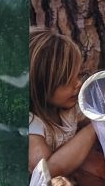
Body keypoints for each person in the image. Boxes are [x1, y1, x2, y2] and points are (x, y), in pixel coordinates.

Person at [28, 27, 97, 176]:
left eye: (78, 75)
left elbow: (89, 117)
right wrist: (94, 129)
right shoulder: (32, 124)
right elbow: (44, 172)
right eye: (66, 80)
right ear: (39, 85)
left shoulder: (69, 107)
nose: (78, 83)